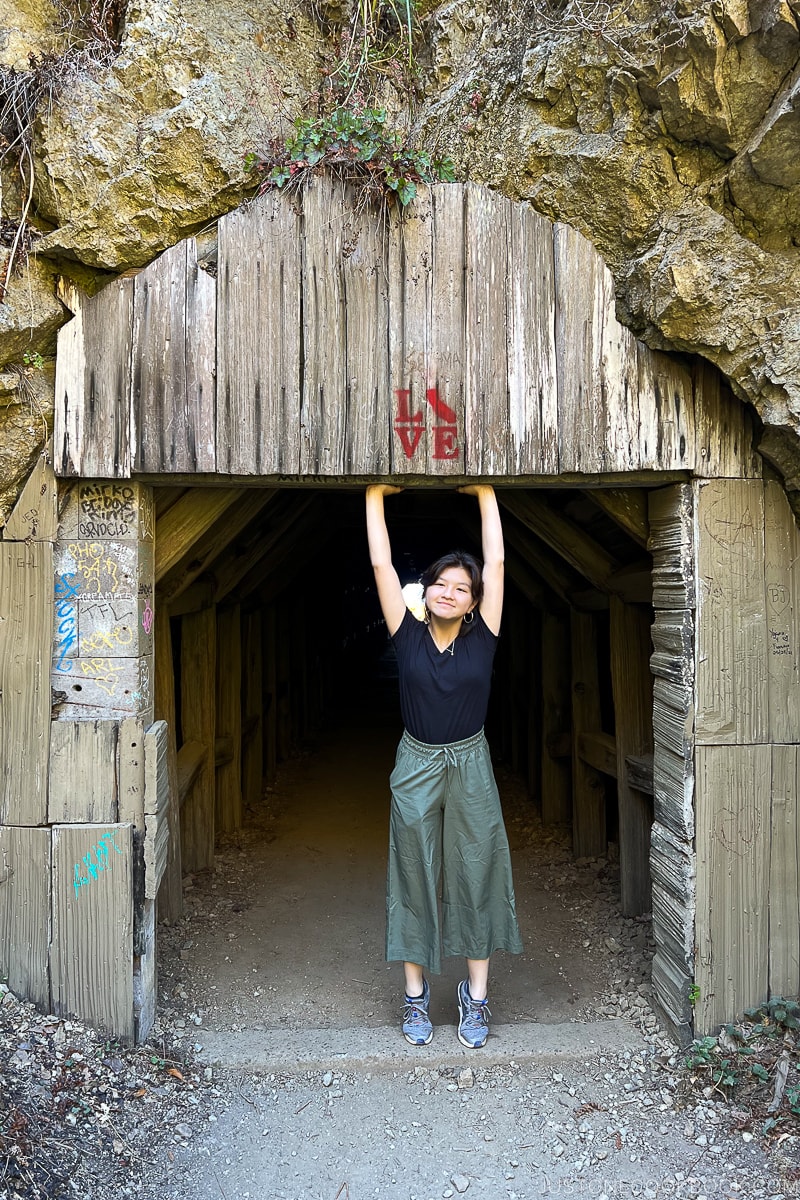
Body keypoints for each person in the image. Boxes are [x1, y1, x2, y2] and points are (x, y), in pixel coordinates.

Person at [365, 483, 523, 1048]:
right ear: (426, 590)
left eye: (462, 587)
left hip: (471, 762)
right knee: (413, 871)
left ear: (475, 598)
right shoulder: (405, 635)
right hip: (416, 761)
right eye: (440, 584)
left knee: (477, 868)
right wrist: (374, 495)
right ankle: (415, 996)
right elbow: (381, 562)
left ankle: (475, 1000)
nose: (449, 593)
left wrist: (484, 493)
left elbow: (497, 561)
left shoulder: (485, 638)